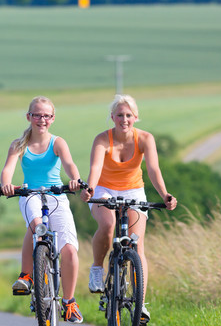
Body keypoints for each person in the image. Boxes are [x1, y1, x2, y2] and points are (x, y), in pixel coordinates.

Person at [80, 94, 177, 324]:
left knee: (137, 243)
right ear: (112, 117)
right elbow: (95, 168)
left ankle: (140, 303)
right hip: (104, 189)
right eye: (120, 115)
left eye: (129, 115)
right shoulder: (102, 139)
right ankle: (96, 268)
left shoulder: (145, 138)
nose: (124, 119)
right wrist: (90, 190)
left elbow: (153, 169)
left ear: (136, 117)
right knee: (108, 224)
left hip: (133, 190)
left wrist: (165, 195)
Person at [0, 96, 84, 324]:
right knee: (37, 225)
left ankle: (69, 302)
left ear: (53, 118)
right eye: (37, 115)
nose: (41, 119)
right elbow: (8, 170)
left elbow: (69, 164)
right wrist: (7, 185)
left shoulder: (57, 143)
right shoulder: (19, 144)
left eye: (46, 115)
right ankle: (27, 275)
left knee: (69, 251)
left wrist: (75, 179)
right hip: (30, 194)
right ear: (29, 117)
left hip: (56, 195)